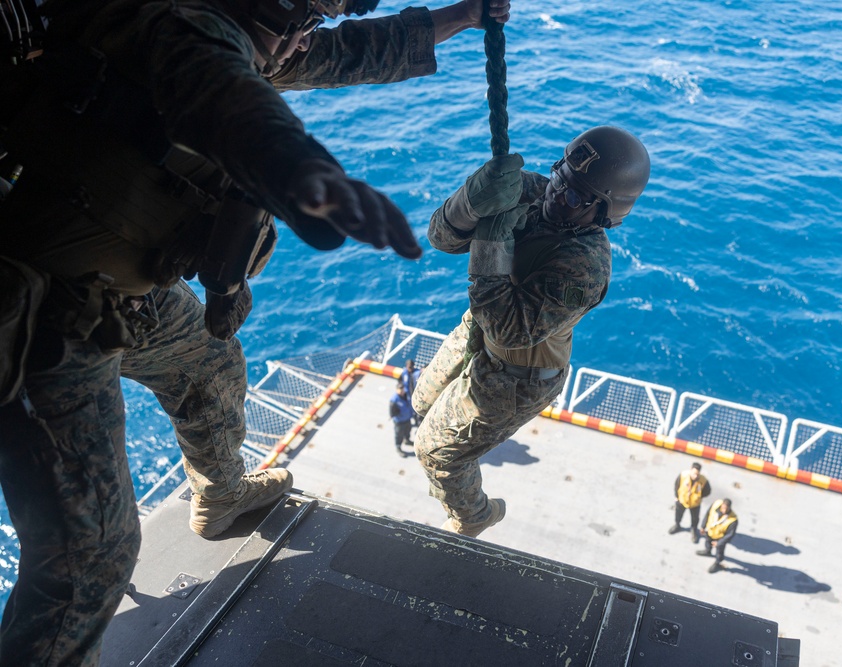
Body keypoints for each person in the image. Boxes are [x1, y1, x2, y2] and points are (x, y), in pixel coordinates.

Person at [0, 0, 511, 662]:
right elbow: (224, 98)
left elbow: (344, 53)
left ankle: (220, 494)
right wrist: (304, 175)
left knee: (207, 362)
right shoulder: (174, 27)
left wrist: (463, 15)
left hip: (108, 295)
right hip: (41, 315)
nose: (302, 43)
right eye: (297, 23)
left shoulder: (247, 35)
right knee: (89, 562)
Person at [412, 126, 651, 538]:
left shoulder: (586, 265)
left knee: (436, 453)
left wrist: (491, 243)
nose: (557, 197)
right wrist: (469, 202)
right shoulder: (530, 191)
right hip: (478, 333)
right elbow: (440, 237)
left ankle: (474, 516)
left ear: (603, 215)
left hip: (517, 378)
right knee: (420, 404)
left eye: (576, 198)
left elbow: (509, 330)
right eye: (560, 179)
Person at [668, 461, 711, 543]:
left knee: (695, 519)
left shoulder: (703, 480)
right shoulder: (683, 475)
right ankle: (677, 525)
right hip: (682, 501)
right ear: (691, 470)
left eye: (697, 474)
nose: (695, 476)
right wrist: (677, 497)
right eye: (694, 473)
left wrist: (699, 497)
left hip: (695, 504)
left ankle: (694, 530)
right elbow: (676, 485)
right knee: (678, 514)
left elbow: (707, 491)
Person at [697, 498, 738, 573]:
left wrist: (719, 543)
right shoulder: (715, 505)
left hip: (720, 538)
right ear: (721, 505)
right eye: (723, 508)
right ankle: (707, 551)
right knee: (707, 542)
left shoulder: (733, 519)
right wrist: (703, 526)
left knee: (719, 552)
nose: (724, 510)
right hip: (710, 532)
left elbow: (730, 534)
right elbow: (708, 514)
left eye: (726, 509)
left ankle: (717, 563)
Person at [389, 381, 416, 457]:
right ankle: (398, 447)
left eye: (402, 389)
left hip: (407, 419)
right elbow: (392, 413)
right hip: (399, 422)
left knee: (408, 430)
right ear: (396, 389)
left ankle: (407, 440)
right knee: (399, 435)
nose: (401, 391)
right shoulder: (394, 400)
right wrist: (399, 413)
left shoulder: (406, 394)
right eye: (399, 389)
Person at [400, 358, 422, 425]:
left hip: (414, 394)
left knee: (416, 410)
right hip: (407, 395)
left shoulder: (416, 373)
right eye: (408, 367)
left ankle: (417, 421)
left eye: (411, 367)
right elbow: (400, 381)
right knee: (408, 410)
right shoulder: (404, 373)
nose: (410, 369)